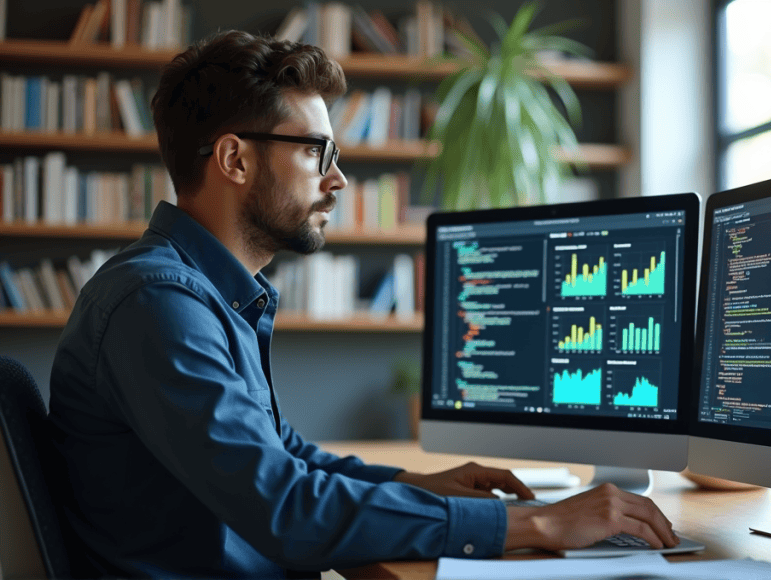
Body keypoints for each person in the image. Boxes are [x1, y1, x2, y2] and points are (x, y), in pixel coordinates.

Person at [47, 30, 679, 578]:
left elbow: (281, 454)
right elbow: (285, 507)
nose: (337, 178)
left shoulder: (200, 291)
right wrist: (534, 525)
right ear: (234, 159)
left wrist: (413, 484)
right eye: (314, 151)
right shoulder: (159, 303)